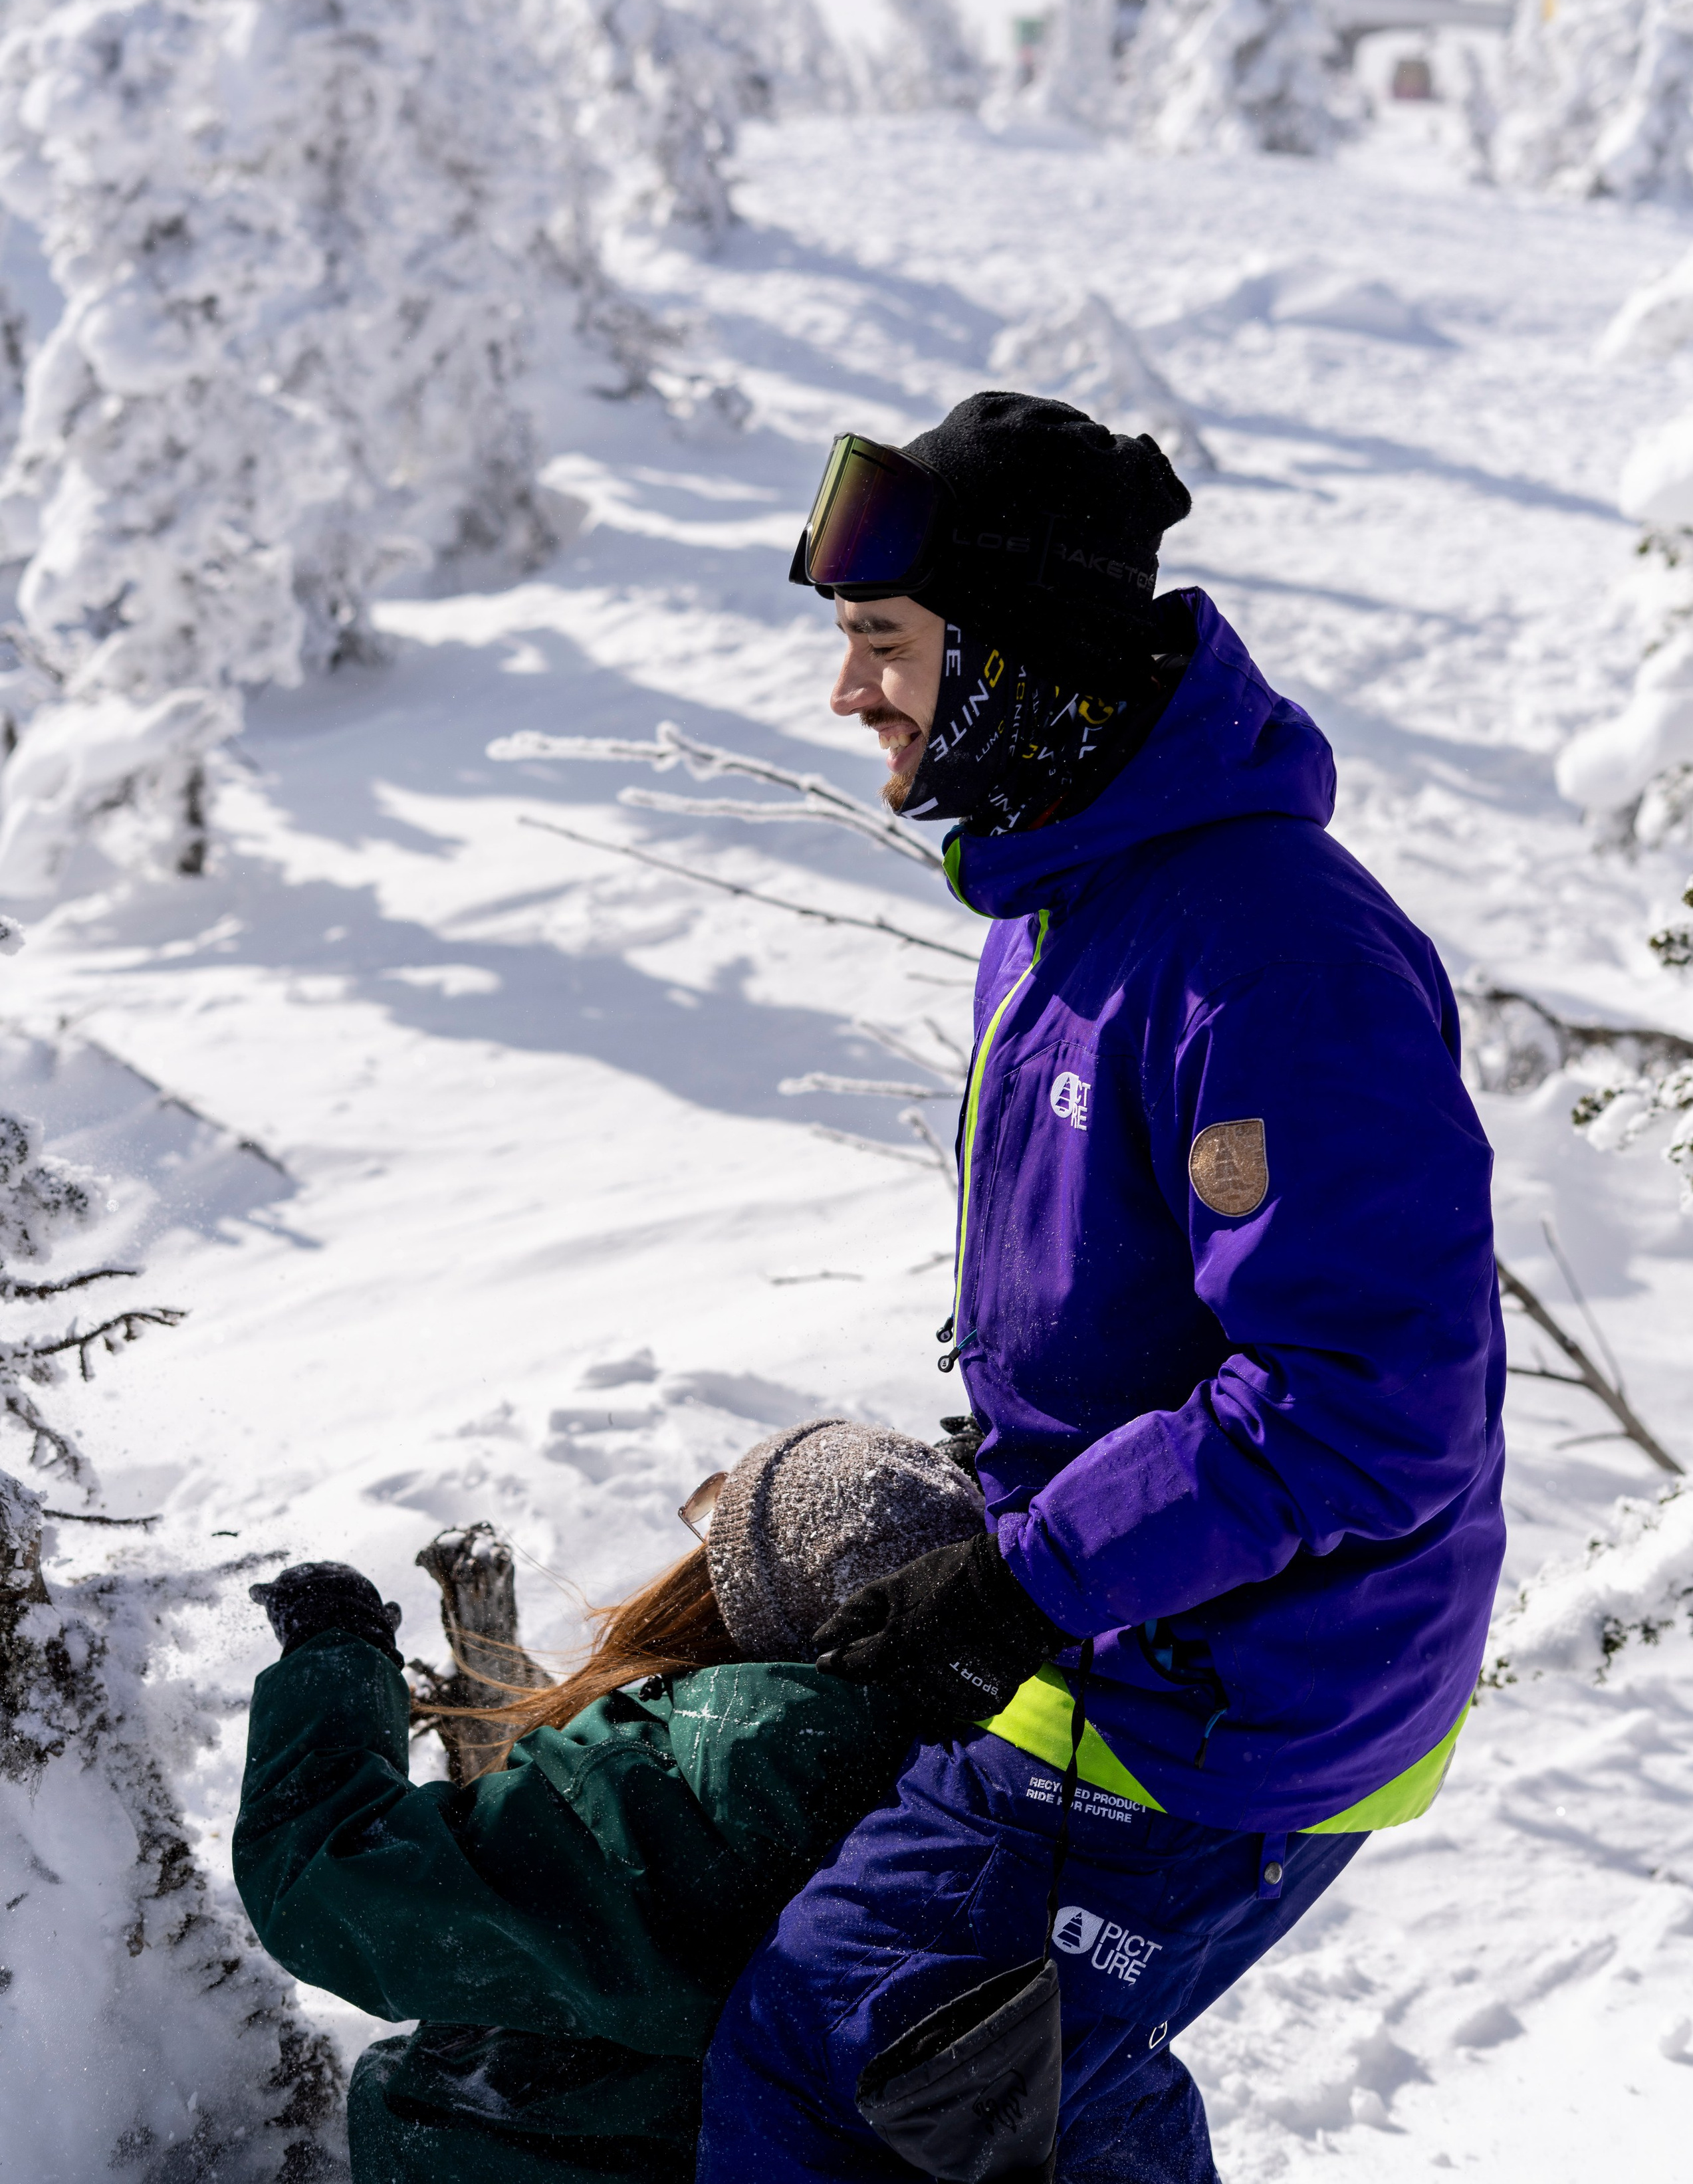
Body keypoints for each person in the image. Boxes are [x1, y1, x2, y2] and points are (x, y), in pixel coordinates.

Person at [695, 393, 1506, 2178]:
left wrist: (1020, 1577)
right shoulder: (1064, 900)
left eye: (886, 648)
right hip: (1134, 1615)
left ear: (1017, 656)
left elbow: (1361, 1405)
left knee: (846, 2047)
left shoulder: (1271, 956)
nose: (849, 699)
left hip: (1240, 1679)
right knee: (989, 2081)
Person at [232, 1419, 986, 2183]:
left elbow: (327, 1884)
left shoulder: (685, 1796)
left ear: (755, 1601)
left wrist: (334, 1652)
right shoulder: (976, 1779)